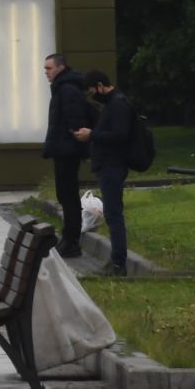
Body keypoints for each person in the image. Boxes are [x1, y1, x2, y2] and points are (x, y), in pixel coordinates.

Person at [77, 70, 132, 276]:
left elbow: (119, 135)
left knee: (113, 214)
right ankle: (117, 262)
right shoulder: (113, 104)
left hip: (113, 165)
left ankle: (119, 263)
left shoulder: (118, 104)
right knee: (111, 213)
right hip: (108, 165)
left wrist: (92, 134)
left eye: (93, 91)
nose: (93, 96)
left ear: (101, 85)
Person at [42, 53, 90, 259]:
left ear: (60, 68)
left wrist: (70, 139)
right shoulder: (63, 88)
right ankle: (69, 239)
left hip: (67, 149)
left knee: (68, 196)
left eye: (49, 68)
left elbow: (74, 119)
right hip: (64, 147)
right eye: (45, 69)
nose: (46, 73)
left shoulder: (67, 89)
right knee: (65, 195)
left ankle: (71, 241)